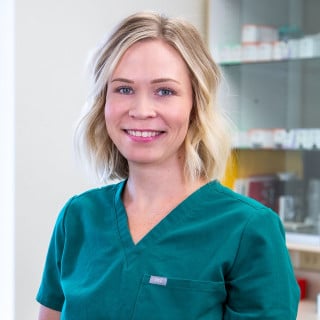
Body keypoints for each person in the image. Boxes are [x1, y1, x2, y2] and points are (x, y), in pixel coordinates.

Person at [36, 11, 300, 320]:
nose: (142, 110)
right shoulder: (78, 218)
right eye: (123, 89)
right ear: (103, 102)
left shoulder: (249, 229)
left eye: (165, 91)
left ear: (195, 105)